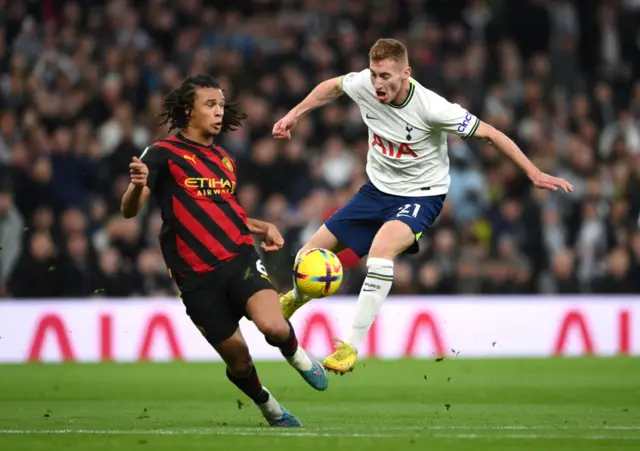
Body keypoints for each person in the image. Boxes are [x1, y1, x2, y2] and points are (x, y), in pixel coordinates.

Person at [273, 39, 574, 374]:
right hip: (375, 192)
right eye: (374, 74)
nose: (378, 83)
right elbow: (333, 86)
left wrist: (532, 172)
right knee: (306, 256)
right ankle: (296, 297)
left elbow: (490, 133)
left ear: (406, 73)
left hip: (420, 195)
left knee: (380, 252)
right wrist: (294, 114)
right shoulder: (364, 85)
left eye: (386, 75)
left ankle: (350, 348)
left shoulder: (433, 108)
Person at [121, 74, 328, 427]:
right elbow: (129, 210)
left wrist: (264, 226)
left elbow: (226, 213)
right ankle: (268, 406)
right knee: (240, 362)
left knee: (274, 327)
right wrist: (136, 186)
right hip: (195, 277)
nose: (219, 113)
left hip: (239, 259)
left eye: (221, 105)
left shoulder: (225, 161)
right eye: (210, 105)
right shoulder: (161, 154)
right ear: (189, 111)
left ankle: (297, 356)